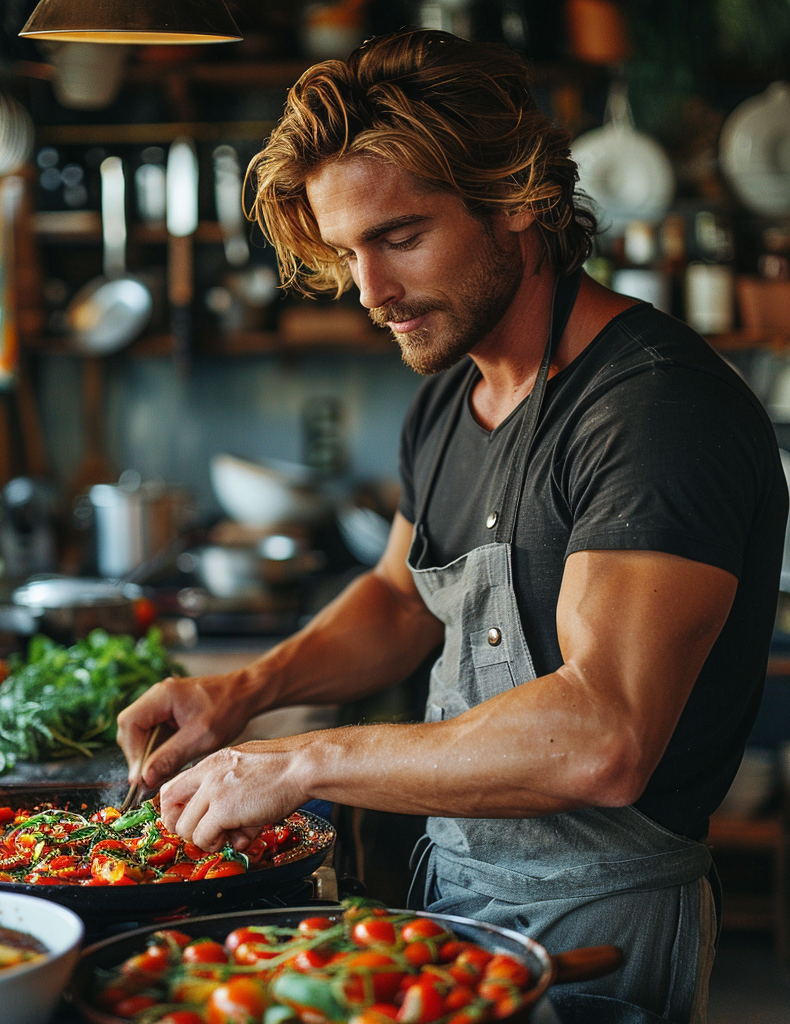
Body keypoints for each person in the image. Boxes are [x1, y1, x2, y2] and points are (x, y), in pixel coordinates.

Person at [117, 30, 788, 1022]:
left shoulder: (653, 410)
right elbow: (400, 598)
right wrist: (242, 694)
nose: (370, 294)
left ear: (517, 199)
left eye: (398, 237)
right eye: (347, 253)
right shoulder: (449, 395)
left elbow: (603, 735)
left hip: (602, 919)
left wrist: (303, 758)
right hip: (452, 898)